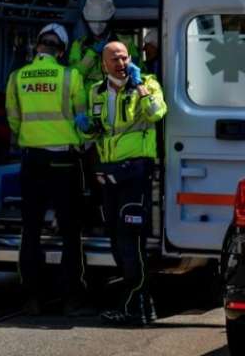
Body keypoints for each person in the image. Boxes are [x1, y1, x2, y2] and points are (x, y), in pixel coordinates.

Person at [78, 41, 167, 326]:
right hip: (108, 173)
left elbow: (156, 113)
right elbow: (97, 129)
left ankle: (138, 305)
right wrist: (85, 128)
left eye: (124, 57)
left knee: (132, 238)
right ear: (104, 64)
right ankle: (137, 303)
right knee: (116, 238)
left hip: (135, 171)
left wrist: (140, 87)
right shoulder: (96, 91)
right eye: (114, 59)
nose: (120, 62)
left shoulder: (148, 84)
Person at [5, 23, 87, 315]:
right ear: (62, 51)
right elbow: (82, 118)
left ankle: (32, 297)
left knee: (31, 230)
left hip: (32, 160)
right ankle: (71, 299)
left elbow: (13, 121)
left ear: (38, 46)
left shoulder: (16, 78)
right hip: (64, 161)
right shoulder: (70, 76)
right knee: (69, 232)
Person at [68, 0, 137, 96]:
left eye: (102, 22)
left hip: (116, 98)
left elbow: (136, 72)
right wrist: (90, 55)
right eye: (92, 22)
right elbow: (73, 77)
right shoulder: (78, 45)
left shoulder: (125, 42)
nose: (97, 26)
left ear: (110, 20)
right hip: (89, 101)